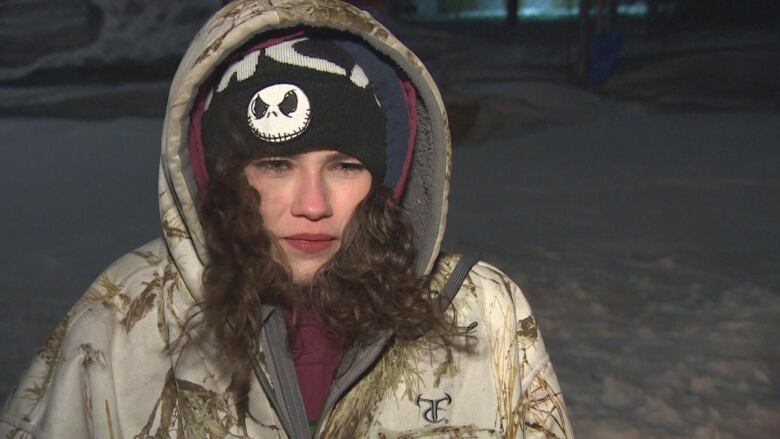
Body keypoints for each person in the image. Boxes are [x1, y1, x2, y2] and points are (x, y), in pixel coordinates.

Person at [0, 1, 573, 437]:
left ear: (386, 178)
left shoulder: (483, 313)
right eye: (276, 164)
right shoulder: (121, 317)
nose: (314, 204)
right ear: (221, 174)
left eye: (345, 166)